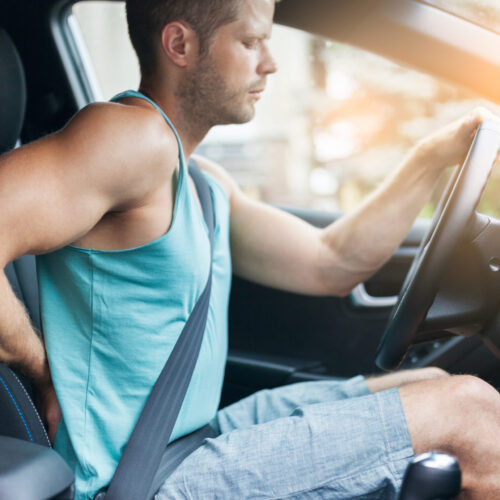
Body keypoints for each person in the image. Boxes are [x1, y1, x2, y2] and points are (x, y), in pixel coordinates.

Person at [0, 0, 499, 498]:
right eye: (250, 42)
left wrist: (430, 158)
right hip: (135, 480)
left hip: (195, 438)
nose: (270, 62)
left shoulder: (202, 181)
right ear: (179, 45)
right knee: (468, 413)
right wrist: (43, 370)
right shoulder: (129, 139)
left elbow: (331, 261)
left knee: (430, 381)